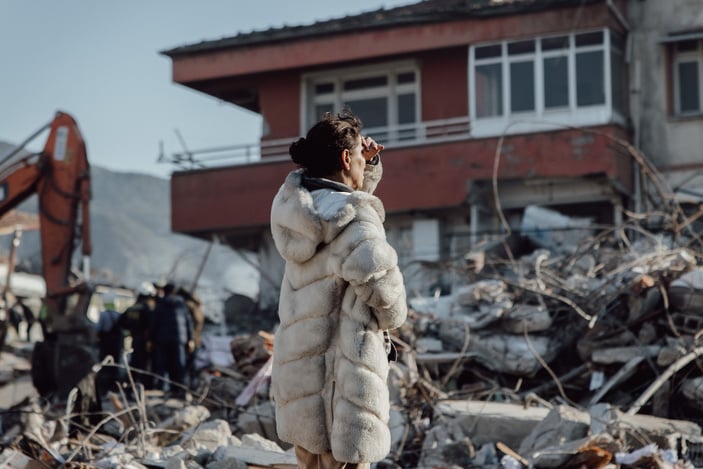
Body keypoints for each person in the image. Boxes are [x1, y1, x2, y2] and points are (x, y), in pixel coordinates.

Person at [269, 109, 407, 468]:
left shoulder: (298, 213)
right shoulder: (356, 220)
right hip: (345, 399)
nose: (365, 164)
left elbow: (341, 211)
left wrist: (369, 167)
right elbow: (390, 305)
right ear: (346, 158)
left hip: (304, 396)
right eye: (361, 159)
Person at [147, 282, 194, 396]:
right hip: (180, 339)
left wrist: (150, 340)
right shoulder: (182, 304)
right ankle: (179, 389)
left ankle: (160, 389)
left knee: (162, 365)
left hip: (162, 339)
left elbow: (154, 323)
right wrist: (190, 339)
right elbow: (188, 323)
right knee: (178, 364)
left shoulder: (160, 304)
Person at [118, 283, 156, 388]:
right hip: (146, 341)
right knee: (145, 364)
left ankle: (130, 385)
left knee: (134, 362)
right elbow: (152, 325)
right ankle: (144, 386)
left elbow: (121, 323)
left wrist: (130, 332)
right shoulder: (148, 309)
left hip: (134, 339)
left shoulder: (132, 308)